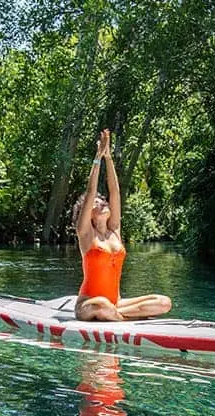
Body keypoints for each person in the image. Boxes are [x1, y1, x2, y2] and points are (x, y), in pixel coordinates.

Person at [72, 129, 172, 321]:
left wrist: (108, 157)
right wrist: (97, 158)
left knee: (163, 302)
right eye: (96, 204)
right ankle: (126, 318)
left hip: (116, 302)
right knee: (102, 305)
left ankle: (117, 316)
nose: (102, 203)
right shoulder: (85, 234)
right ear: (89, 215)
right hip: (89, 303)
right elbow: (91, 191)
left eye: (103, 202)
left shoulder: (114, 230)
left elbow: (115, 191)